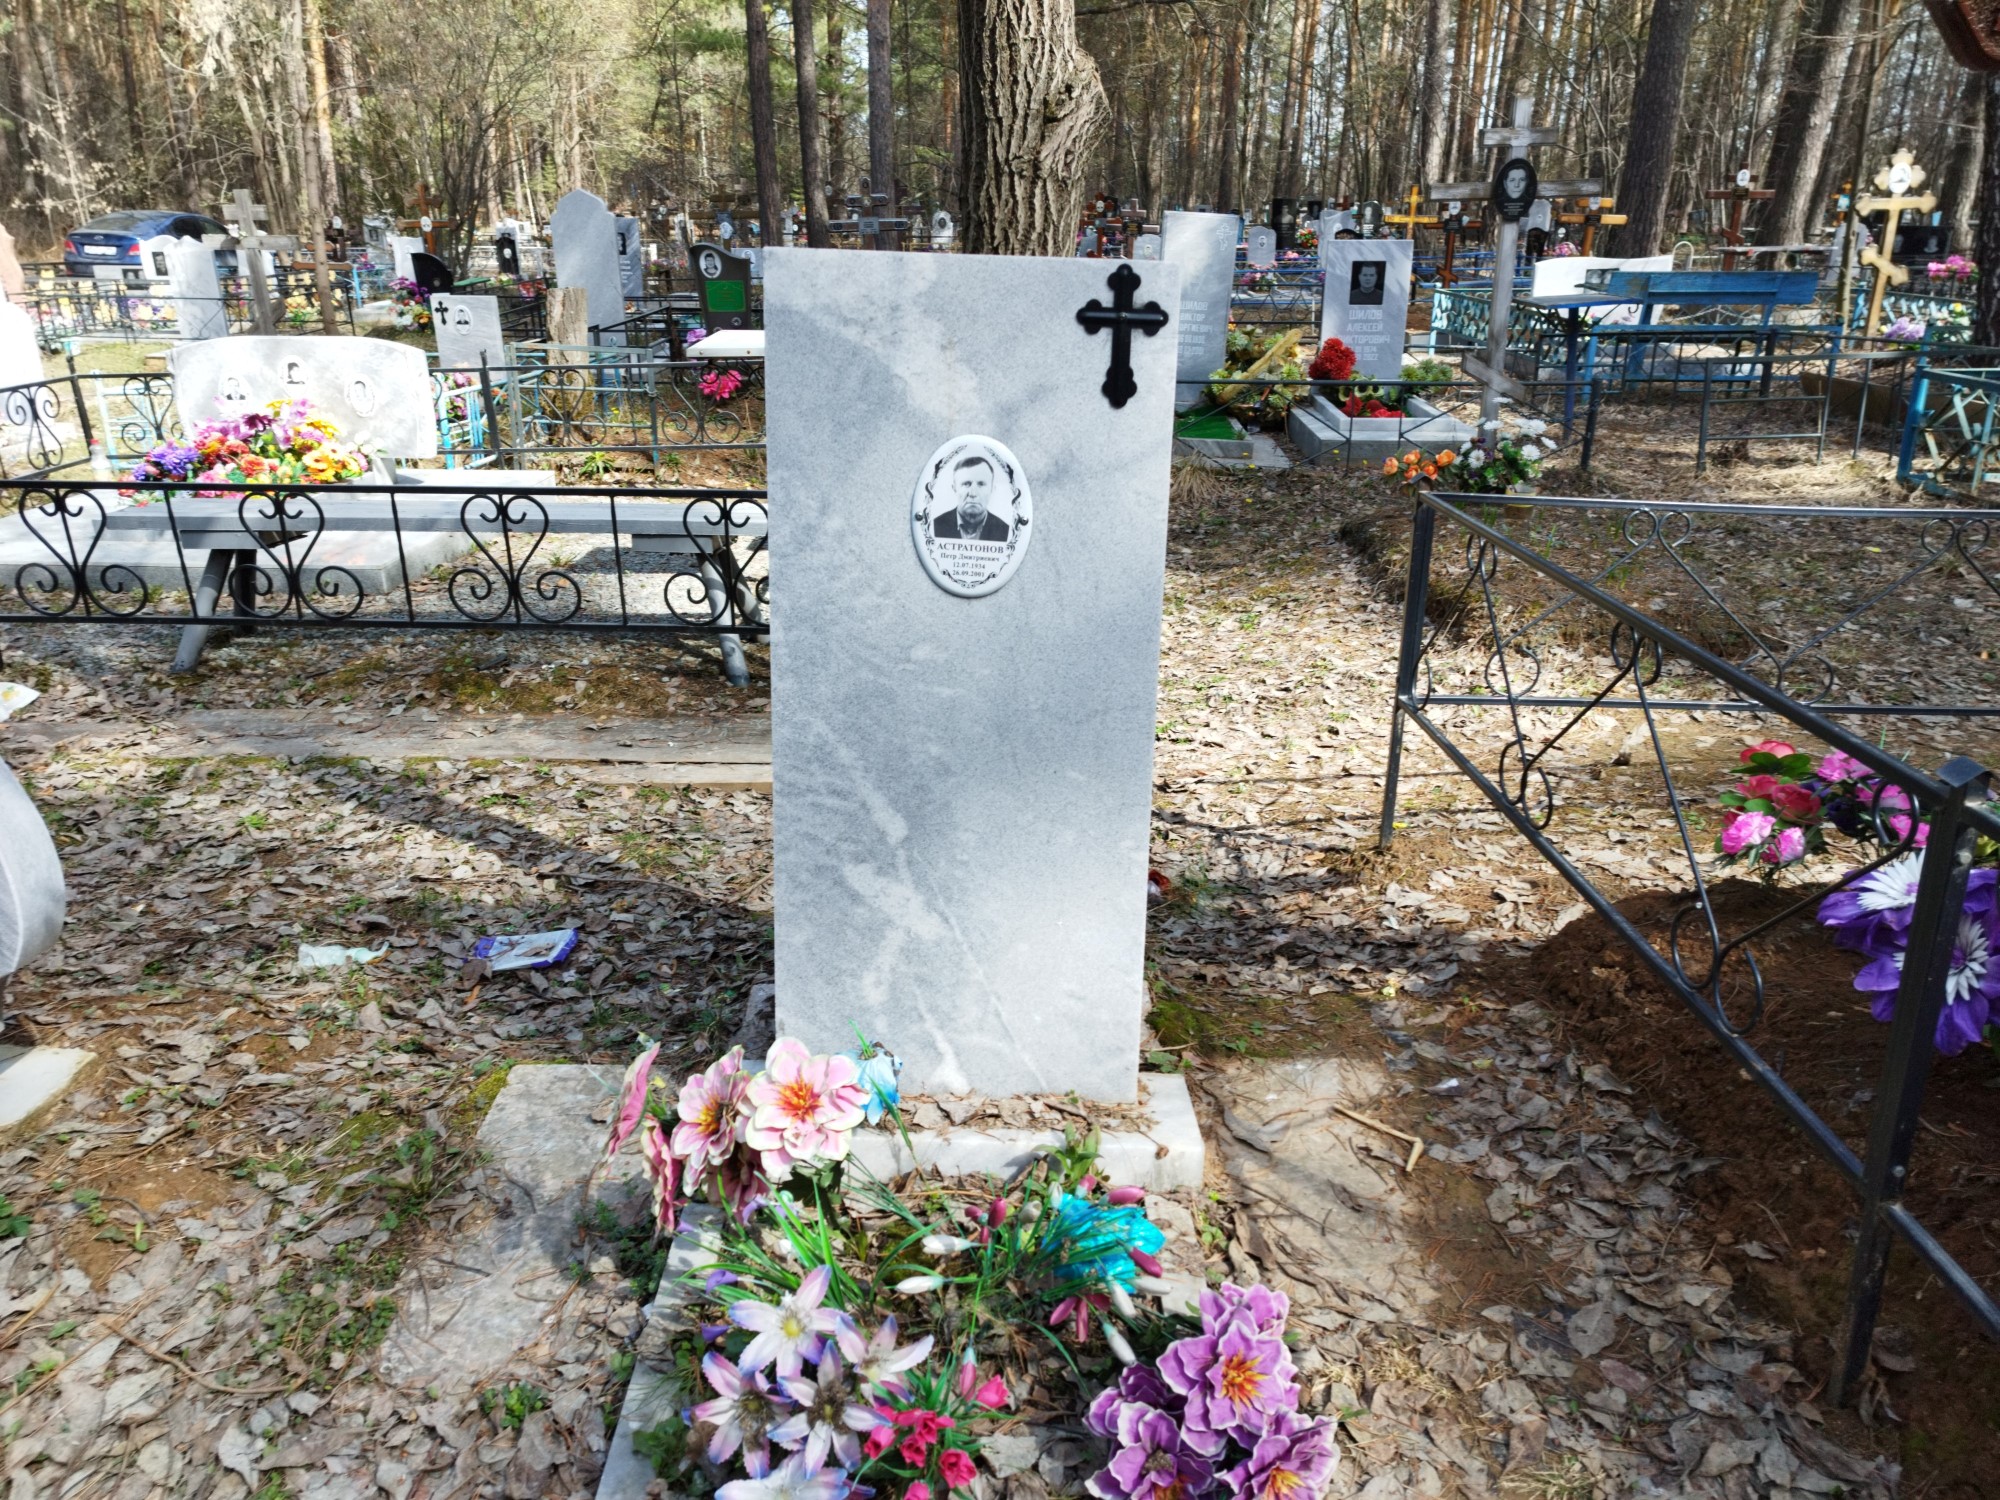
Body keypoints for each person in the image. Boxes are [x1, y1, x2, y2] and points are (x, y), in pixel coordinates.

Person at [932, 454, 1011, 541]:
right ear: (954, 488)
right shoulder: (935, 526)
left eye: (981, 484)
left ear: (992, 489)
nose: (973, 493)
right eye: (966, 484)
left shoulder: (1006, 531)